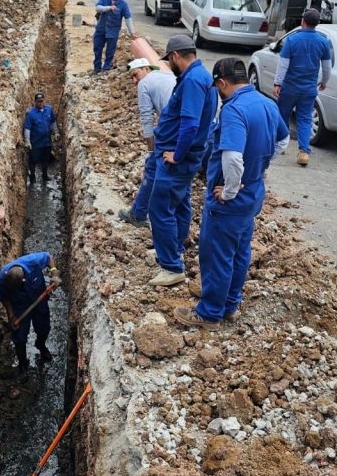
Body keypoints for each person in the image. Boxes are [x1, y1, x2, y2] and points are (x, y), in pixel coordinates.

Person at [174, 58, 289, 330]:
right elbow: (283, 141)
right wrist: (258, 167)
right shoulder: (267, 104)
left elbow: (233, 156)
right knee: (239, 251)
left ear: (223, 83)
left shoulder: (234, 110)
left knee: (216, 255)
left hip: (229, 202)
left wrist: (229, 190)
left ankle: (209, 313)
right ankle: (230, 305)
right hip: (252, 194)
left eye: (217, 87)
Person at [148, 34, 218, 287]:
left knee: (159, 208)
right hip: (186, 157)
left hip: (177, 160)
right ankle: (173, 248)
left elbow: (190, 124)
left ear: (176, 56)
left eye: (170, 60)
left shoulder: (193, 81)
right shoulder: (201, 76)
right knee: (179, 203)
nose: (170, 64)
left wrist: (176, 155)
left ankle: (171, 266)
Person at [118, 58, 177, 228]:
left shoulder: (145, 83)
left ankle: (138, 214)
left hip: (172, 128)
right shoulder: (168, 76)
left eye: (135, 75)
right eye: (131, 78)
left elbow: (146, 119)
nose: (134, 81)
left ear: (146, 68)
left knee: (152, 169)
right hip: (190, 129)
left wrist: (151, 150)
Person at [272, 8, 332, 167]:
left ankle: (281, 143)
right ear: (317, 23)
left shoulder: (292, 40)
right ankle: (304, 152)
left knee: (282, 114)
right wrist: (324, 81)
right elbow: (327, 67)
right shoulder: (323, 42)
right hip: (309, 88)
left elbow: (283, 65)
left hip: (290, 87)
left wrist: (277, 83)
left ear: (303, 21)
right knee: (305, 118)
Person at [0, 251, 61, 371]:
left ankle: (41, 345)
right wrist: (11, 315)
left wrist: (55, 273)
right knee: (19, 338)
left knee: (44, 329)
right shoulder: (1, 279)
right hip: (19, 306)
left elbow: (48, 257)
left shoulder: (32, 261)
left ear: (23, 280)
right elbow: (5, 298)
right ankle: (22, 362)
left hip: (39, 299)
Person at [93, 0, 138, 74]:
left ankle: (106, 68)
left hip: (113, 31)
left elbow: (128, 18)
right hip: (101, 29)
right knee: (97, 48)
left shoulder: (123, 3)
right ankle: (97, 68)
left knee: (110, 51)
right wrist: (109, 7)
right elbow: (98, 8)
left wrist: (132, 32)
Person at [24, 91, 58, 183]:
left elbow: (53, 122)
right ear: (35, 102)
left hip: (47, 141)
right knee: (33, 159)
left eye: (42, 101)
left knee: (45, 159)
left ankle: (45, 175)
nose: (40, 103)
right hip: (36, 142)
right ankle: (32, 176)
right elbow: (27, 128)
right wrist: (27, 141)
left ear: (44, 101)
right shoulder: (31, 113)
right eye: (38, 101)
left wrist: (55, 132)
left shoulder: (49, 109)